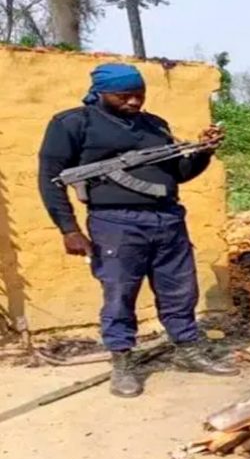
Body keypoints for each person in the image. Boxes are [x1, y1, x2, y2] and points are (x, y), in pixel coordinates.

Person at [38, 63, 239, 399]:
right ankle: (122, 361)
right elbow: (50, 178)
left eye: (139, 95)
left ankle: (188, 349)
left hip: (168, 219)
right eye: (124, 96)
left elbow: (179, 172)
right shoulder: (73, 123)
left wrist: (204, 152)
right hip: (115, 222)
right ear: (101, 92)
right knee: (119, 294)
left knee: (180, 290)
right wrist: (68, 228)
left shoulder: (155, 125)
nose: (133, 102)